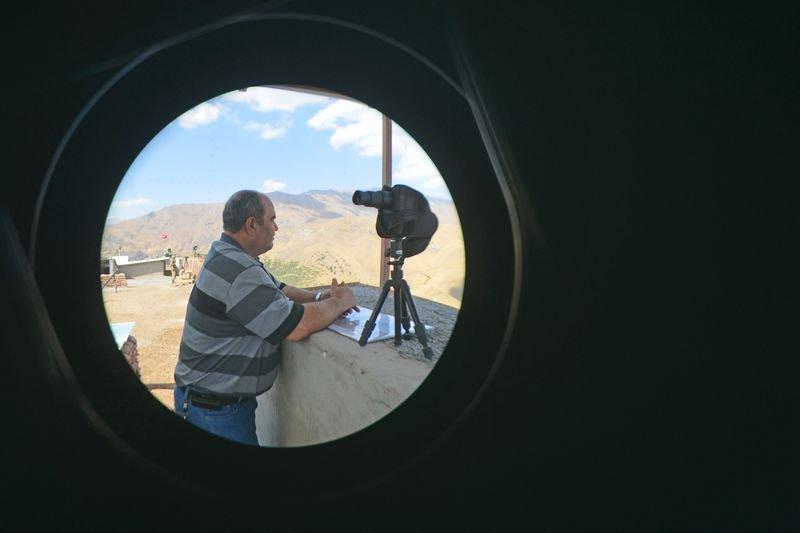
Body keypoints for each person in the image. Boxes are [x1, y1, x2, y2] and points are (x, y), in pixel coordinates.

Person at [173, 190, 358, 445]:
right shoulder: (238, 270)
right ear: (251, 225)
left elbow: (278, 289)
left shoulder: (229, 255)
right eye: (272, 219)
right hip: (216, 413)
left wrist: (321, 297)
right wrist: (340, 301)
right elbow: (297, 326)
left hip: (212, 405)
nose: (276, 227)